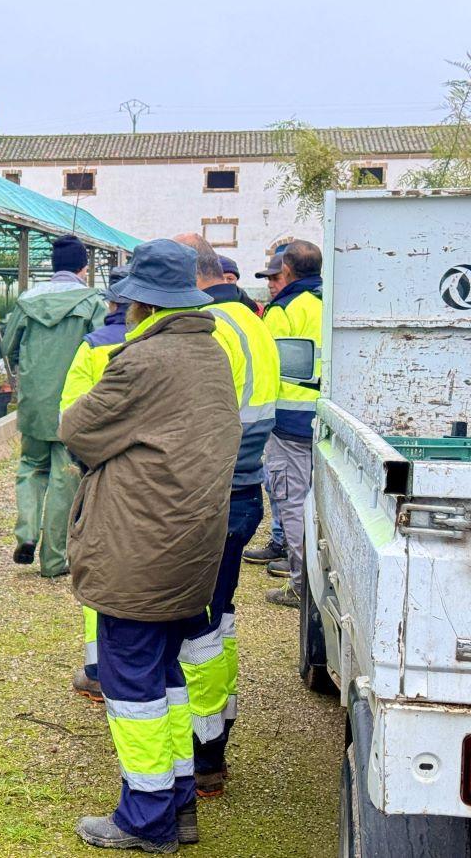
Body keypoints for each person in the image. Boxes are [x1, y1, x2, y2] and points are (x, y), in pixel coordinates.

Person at [60, 238, 240, 853]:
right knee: (167, 674)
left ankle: (145, 818)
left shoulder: (141, 361)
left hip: (139, 549)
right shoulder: (210, 352)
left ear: (140, 302)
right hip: (191, 548)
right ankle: (178, 802)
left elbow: (76, 430)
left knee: (132, 687)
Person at [175, 235, 280, 799]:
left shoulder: (213, 330)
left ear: (191, 276)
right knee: (221, 618)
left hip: (213, 493)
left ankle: (204, 751)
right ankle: (217, 728)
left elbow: (191, 425)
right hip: (244, 487)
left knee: (198, 627)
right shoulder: (253, 321)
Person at [2, 235, 105, 577]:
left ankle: (27, 533)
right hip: (72, 404)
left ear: (53, 266)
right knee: (65, 477)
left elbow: (8, 346)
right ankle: (54, 560)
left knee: (31, 466)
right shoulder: (92, 302)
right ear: (83, 268)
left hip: (34, 400)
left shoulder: (27, 300)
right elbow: (101, 349)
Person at [58, 263, 131, 703]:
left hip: (102, 474)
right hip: (160, 479)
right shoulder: (178, 344)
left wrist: (88, 465)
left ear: (112, 302)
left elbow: (70, 416)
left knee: (98, 563)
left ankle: (98, 669)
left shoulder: (93, 346)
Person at [259, 240, 323, 608]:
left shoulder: (283, 310)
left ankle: (302, 587)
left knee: (294, 505)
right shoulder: (330, 301)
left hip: (290, 426)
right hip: (329, 423)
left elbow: (269, 367)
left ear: (286, 271)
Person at [242, 246, 291, 565]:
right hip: (288, 412)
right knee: (282, 486)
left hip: (285, 414)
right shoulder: (284, 308)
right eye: (268, 279)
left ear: (289, 274)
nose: (271, 284)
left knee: (284, 487)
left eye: (275, 278)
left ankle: (284, 546)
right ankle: (281, 541)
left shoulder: (282, 311)